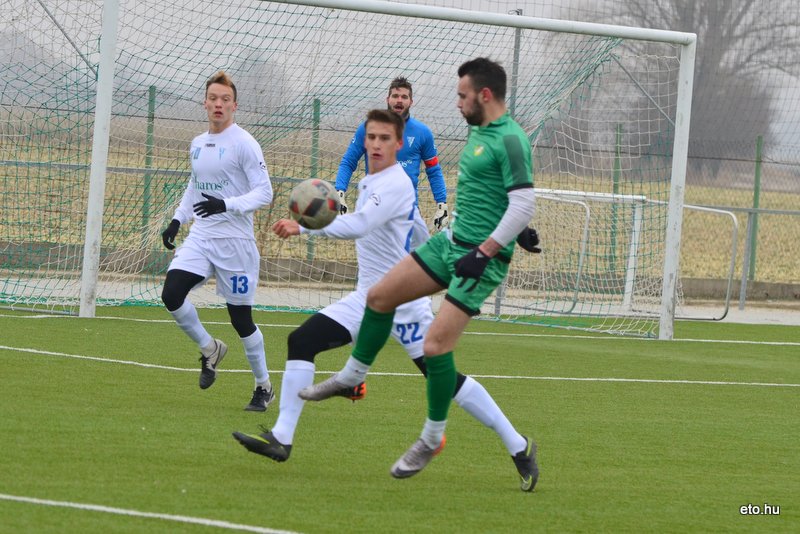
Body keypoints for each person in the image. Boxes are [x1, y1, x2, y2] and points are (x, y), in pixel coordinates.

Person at [231, 110, 534, 484]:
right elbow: (419, 232)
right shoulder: (368, 183)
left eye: (384, 138)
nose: (375, 144)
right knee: (302, 340)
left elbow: (362, 225)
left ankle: (517, 445)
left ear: (399, 143)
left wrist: (306, 227)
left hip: (403, 304)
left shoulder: (396, 182)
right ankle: (282, 437)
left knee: (445, 379)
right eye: (370, 137)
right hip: (367, 298)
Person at [298, 58, 541, 492]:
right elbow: (496, 196)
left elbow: (523, 201)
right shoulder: (480, 133)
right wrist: (516, 229)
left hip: (479, 259)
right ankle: (353, 376)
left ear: (484, 95)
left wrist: (488, 249)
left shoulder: (511, 139)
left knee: (434, 348)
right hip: (451, 244)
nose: (458, 102)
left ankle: (431, 438)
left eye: (463, 95)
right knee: (380, 296)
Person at [160, 71, 275, 412]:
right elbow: (194, 187)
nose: (218, 104)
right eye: (213, 98)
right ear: (205, 103)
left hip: (235, 241)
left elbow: (265, 192)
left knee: (240, 320)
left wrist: (226, 204)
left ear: (234, 105)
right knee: (172, 293)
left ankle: (263, 386)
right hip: (202, 236)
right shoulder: (197, 143)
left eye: (225, 99)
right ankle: (210, 349)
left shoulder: (244, 143)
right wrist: (177, 219)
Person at [336, 76, 449, 250]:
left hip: (408, 210)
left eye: (404, 97)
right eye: (395, 96)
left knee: (412, 267)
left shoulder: (423, 132)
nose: (399, 100)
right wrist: (339, 191)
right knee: (375, 268)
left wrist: (442, 203)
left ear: (411, 101)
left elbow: (433, 170)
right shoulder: (369, 128)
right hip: (375, 208)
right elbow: (348, 162)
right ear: (387, 99)